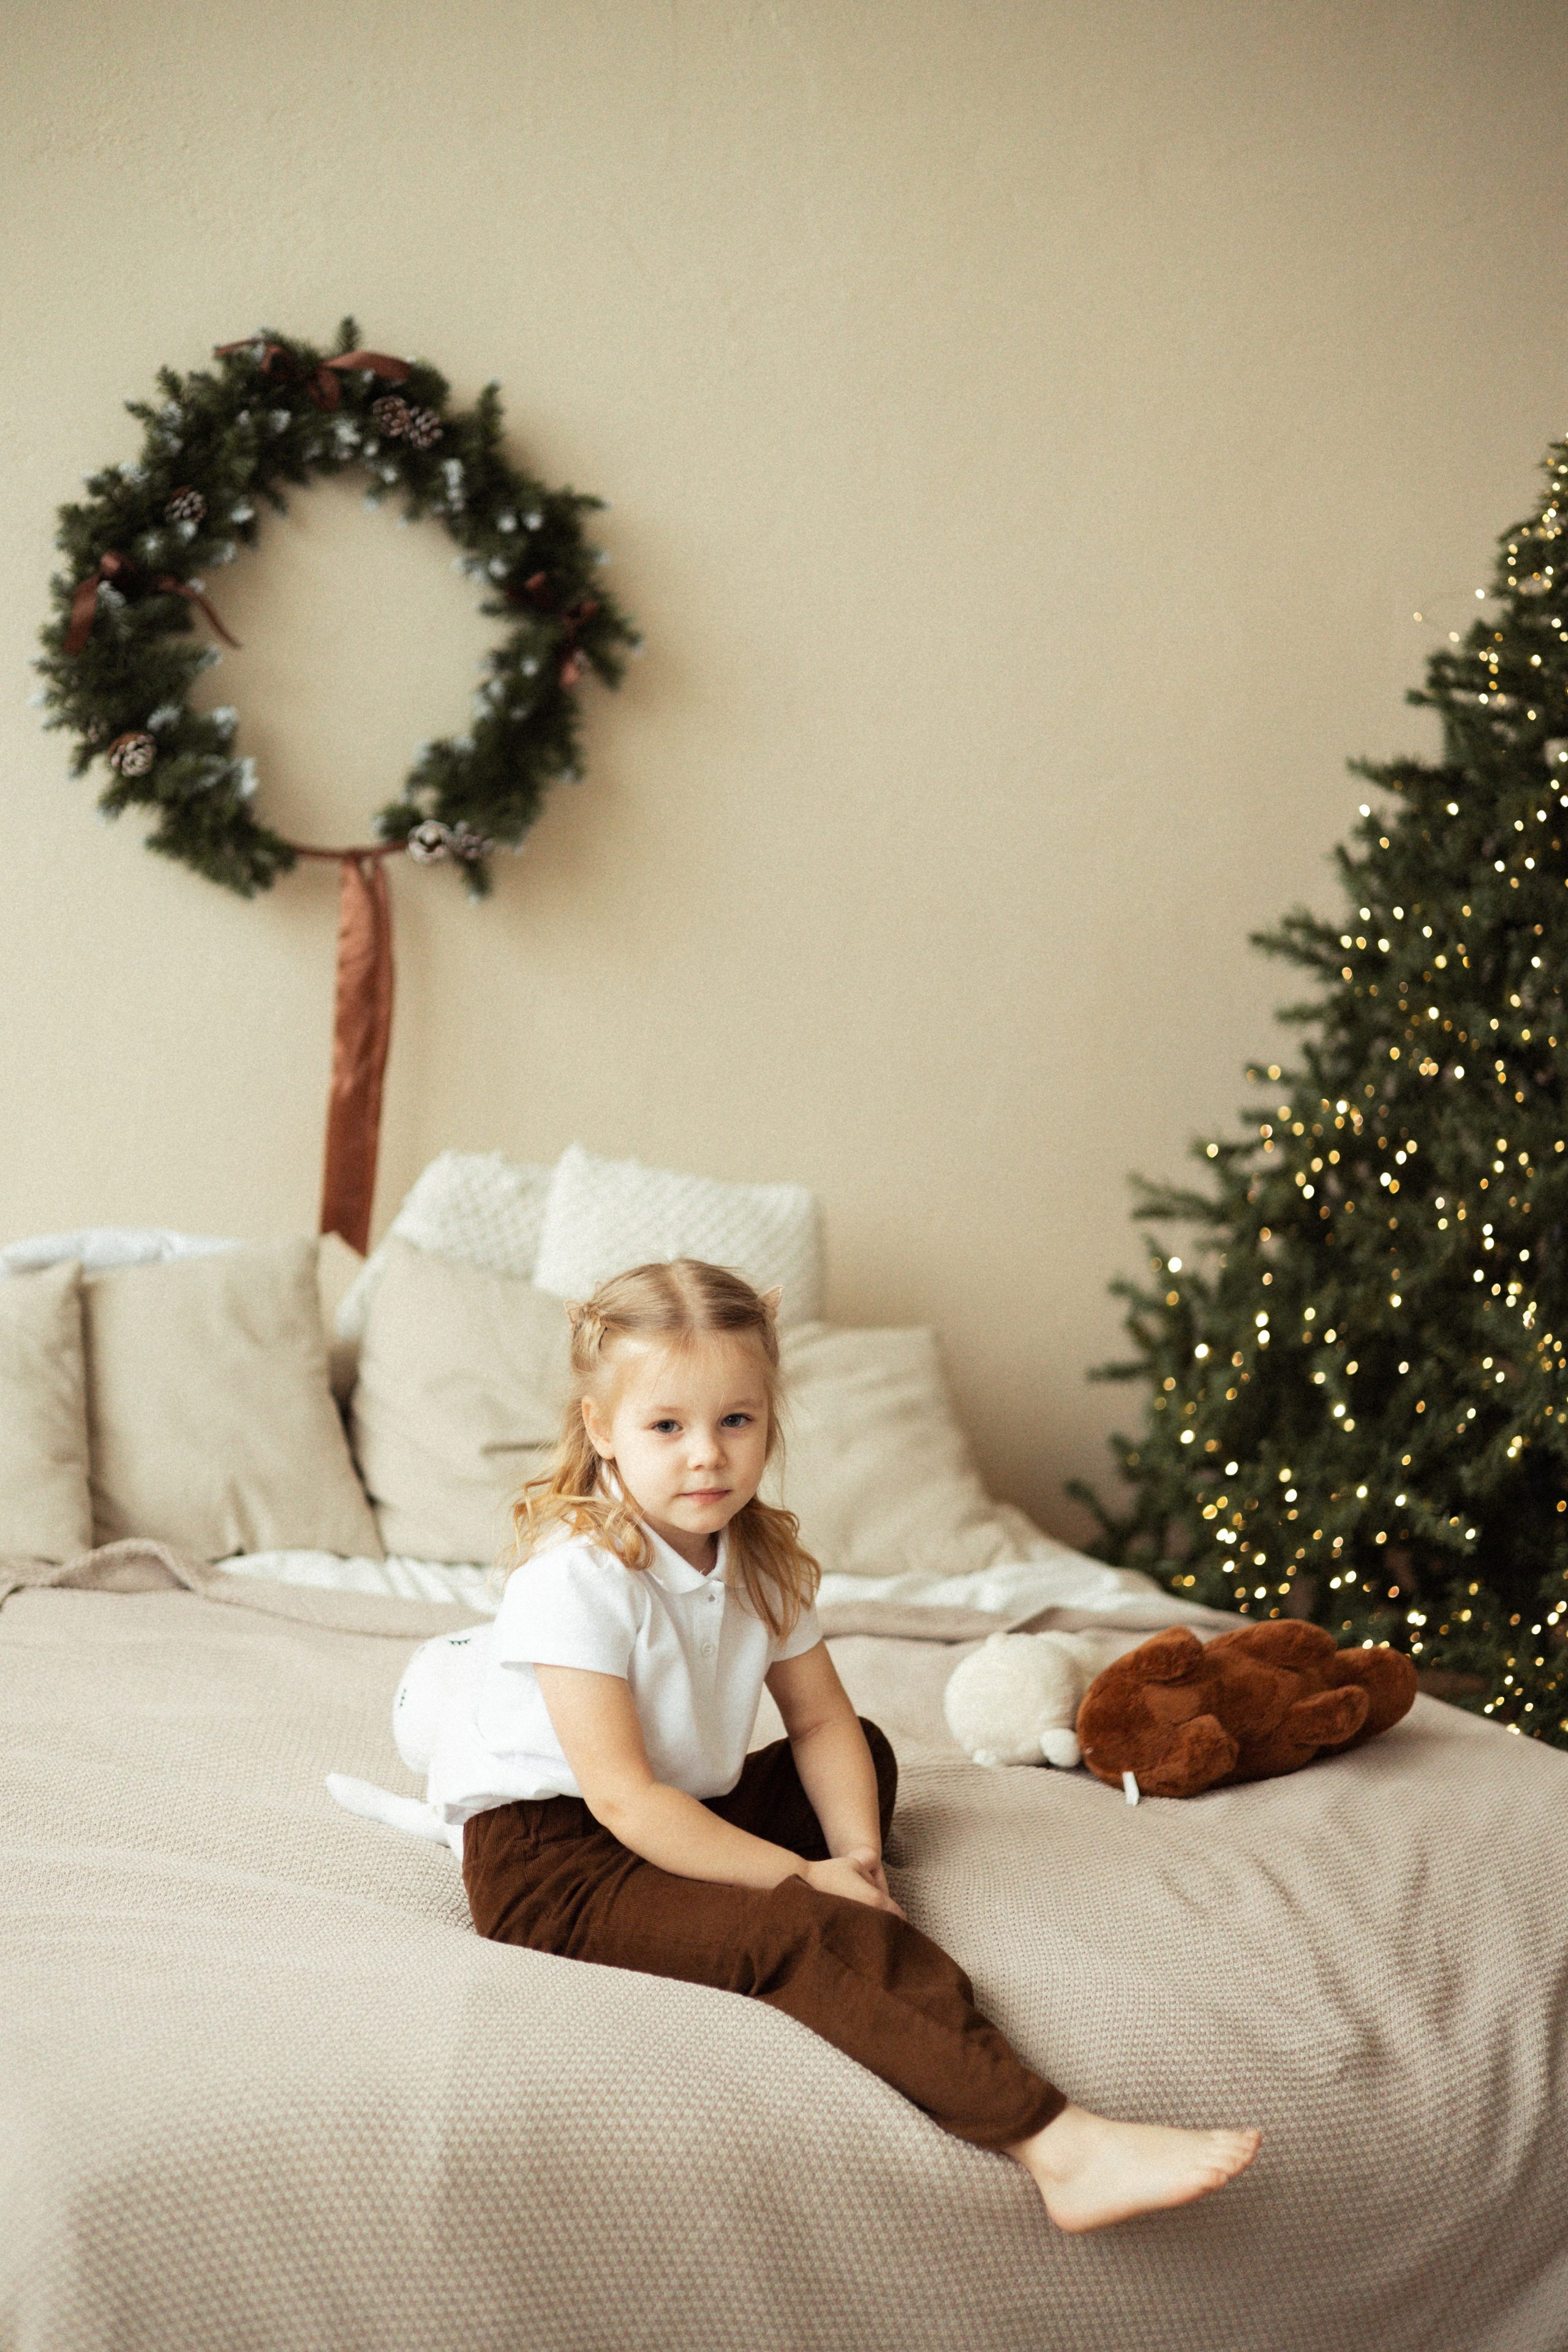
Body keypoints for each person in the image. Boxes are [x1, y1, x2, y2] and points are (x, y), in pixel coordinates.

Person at [435, 1257, 1261, 2232]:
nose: (707, 1455)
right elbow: (623, 1801)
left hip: (675, 1811)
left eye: (735, 1421)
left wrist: (858, 1857)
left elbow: (822, 1722)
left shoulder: (758, 1560)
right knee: (795, 1926)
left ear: (768, 1421)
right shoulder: (576, 1579)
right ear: (602, 1431)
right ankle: (1057, 2142)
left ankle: (840, 1899)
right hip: (556, 1856)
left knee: (863, 1752)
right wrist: (802, 1878)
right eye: (668, 1427)